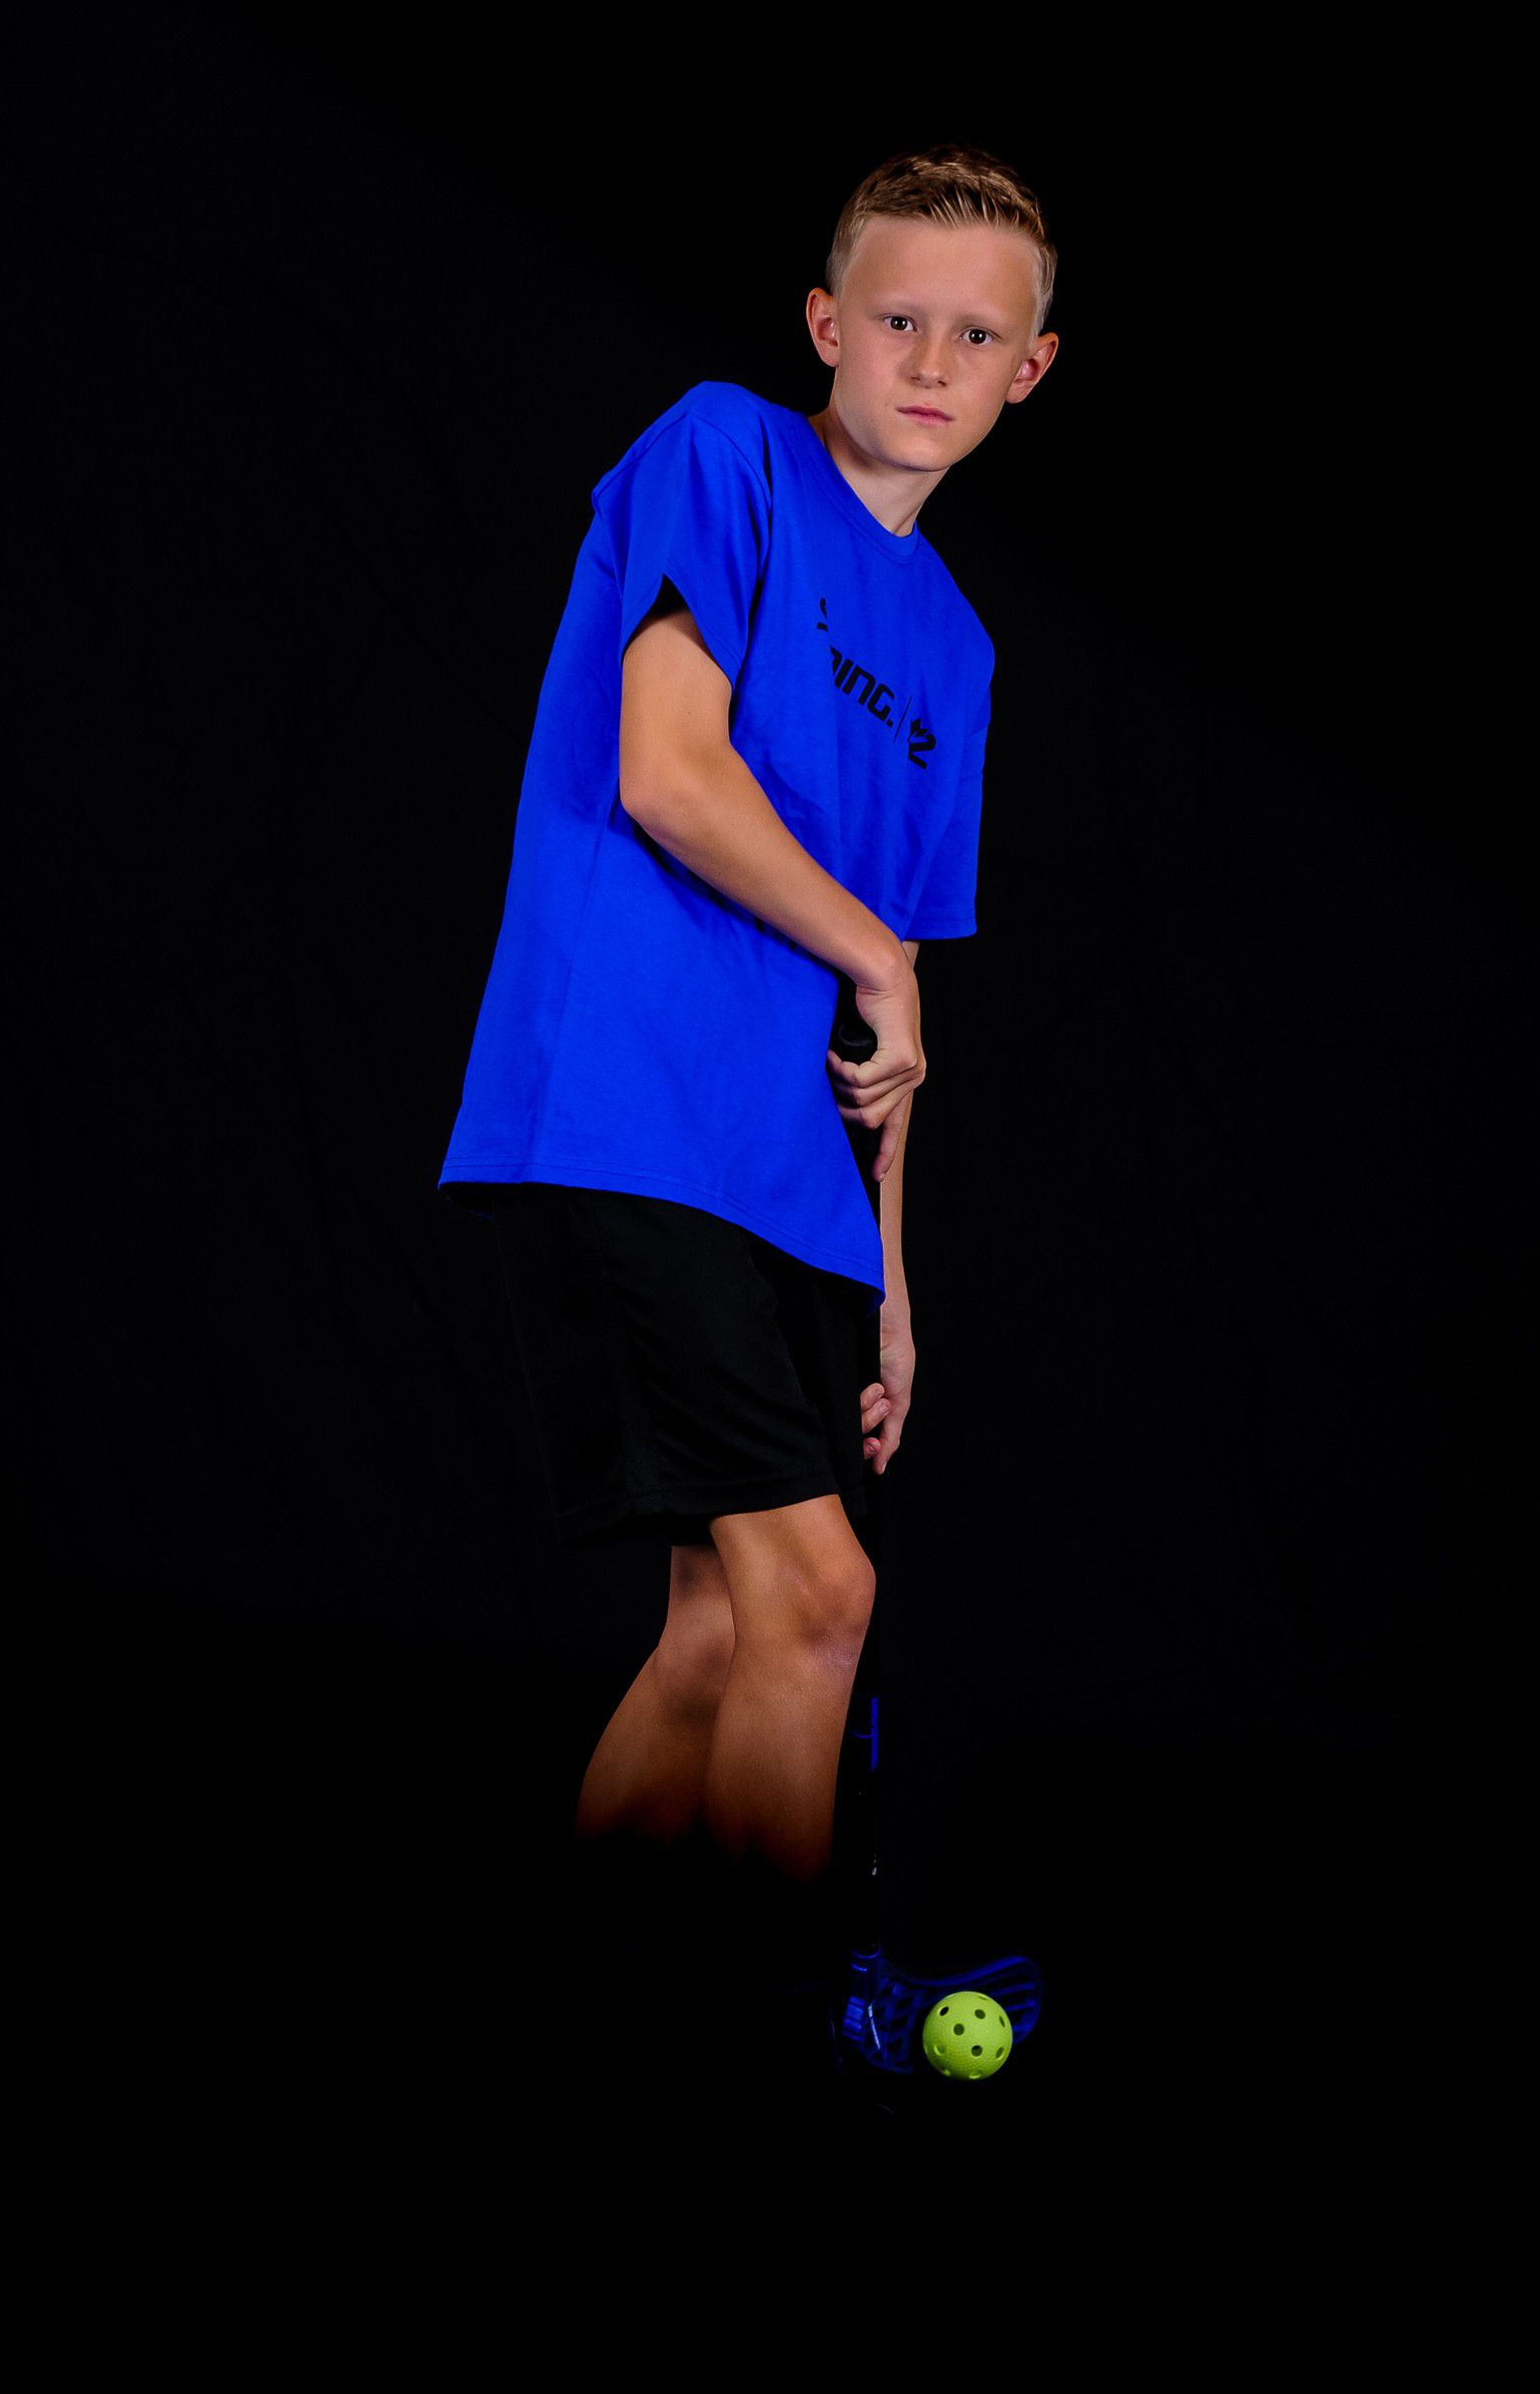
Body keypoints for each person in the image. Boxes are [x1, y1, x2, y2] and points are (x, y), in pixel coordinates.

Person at [438, 146, 1059, 2022]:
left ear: (1031, 369)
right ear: (823, 324)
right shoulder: (724, 450)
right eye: (896, 319)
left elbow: (891, 1009)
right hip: (622, 1113)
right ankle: (773, 2023)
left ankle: (586, 1999)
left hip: (786, 1177)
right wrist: (874, 955)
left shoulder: (956, 648)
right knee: (820, 1601)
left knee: (719, 1632)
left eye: (977, 335)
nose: (931, 362)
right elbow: (665, 770)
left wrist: (892, 1280)